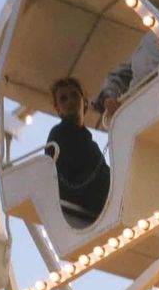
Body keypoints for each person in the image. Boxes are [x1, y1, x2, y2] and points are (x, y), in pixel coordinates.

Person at [45, 77, 110, 217]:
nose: (70, 101)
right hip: (76, 204)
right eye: (63, 99)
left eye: (74, 95)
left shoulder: (92, 145)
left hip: (97, 204)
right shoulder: (57, 135)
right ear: (58, 109)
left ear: (84, 101)